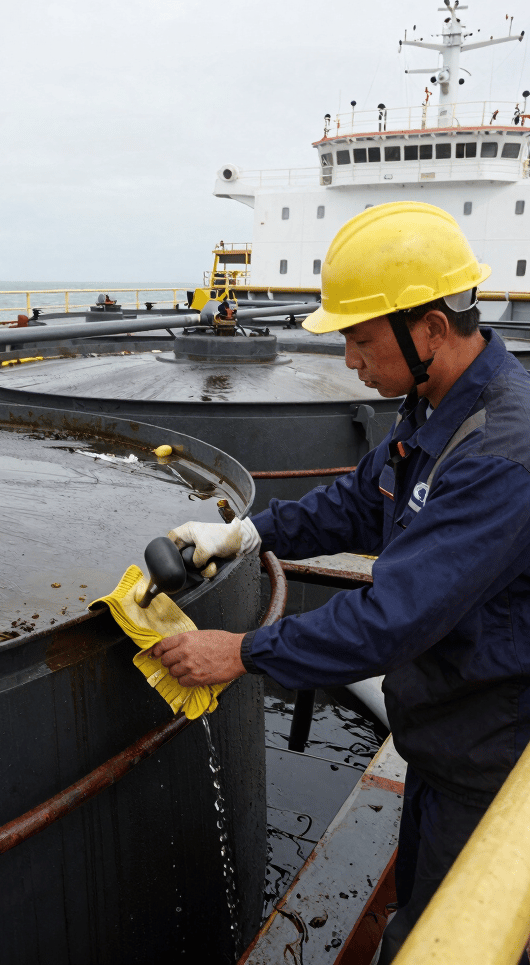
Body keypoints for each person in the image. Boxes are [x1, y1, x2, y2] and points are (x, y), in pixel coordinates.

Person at [150, 201, 530, 962]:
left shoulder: (501, 453)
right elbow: (363, 500)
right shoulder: (432, 405)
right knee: (414, 910)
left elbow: (395, 618)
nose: (352, 360)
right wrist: (246, 531)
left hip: (490, 761)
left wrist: (244, 652)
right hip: (442, 738)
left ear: (427, 328)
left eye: (360, 337)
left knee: (448, 938)